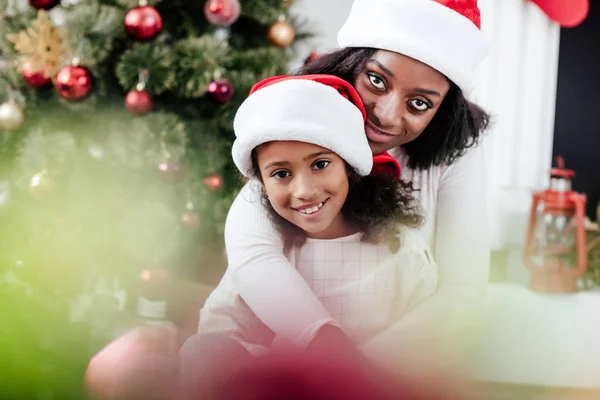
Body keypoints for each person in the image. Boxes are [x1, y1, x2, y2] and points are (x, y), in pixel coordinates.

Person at [224, 0, 491, 376]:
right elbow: (252, 253)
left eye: (418, 104)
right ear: (350, 63)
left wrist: (358, 373)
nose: (385, 114)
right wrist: (329, 351)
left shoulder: (454, 155)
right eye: (377, 81)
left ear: (443, 111)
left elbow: (463, 290)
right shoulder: (299, 115)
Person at [199, 74, 438, 358]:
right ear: (262, 183)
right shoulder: (273, 252)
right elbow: (218, 333)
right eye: (281, 174)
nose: (304, 191)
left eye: (320, 164)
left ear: (349, 164)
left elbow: (425, 349)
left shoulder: (401, 253)